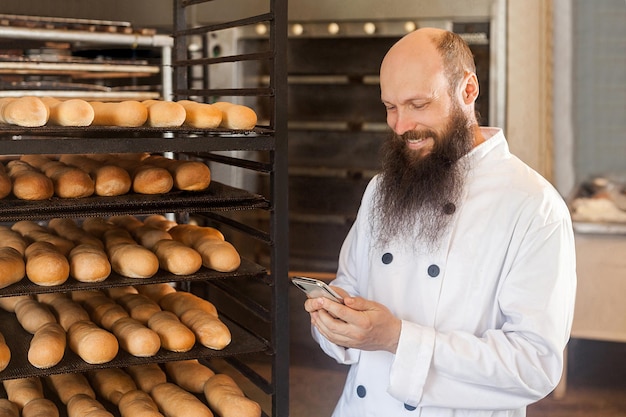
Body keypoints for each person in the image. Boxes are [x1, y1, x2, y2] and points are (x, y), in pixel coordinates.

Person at [303, 27, 577, 416]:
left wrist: (398, 339)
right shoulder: (382, 188)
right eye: (390, 107)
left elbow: (534, 366)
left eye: (418, 104)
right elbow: (349, 285)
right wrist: (335, 327)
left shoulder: (534, 206)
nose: (400, 126)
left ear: (468, 91)